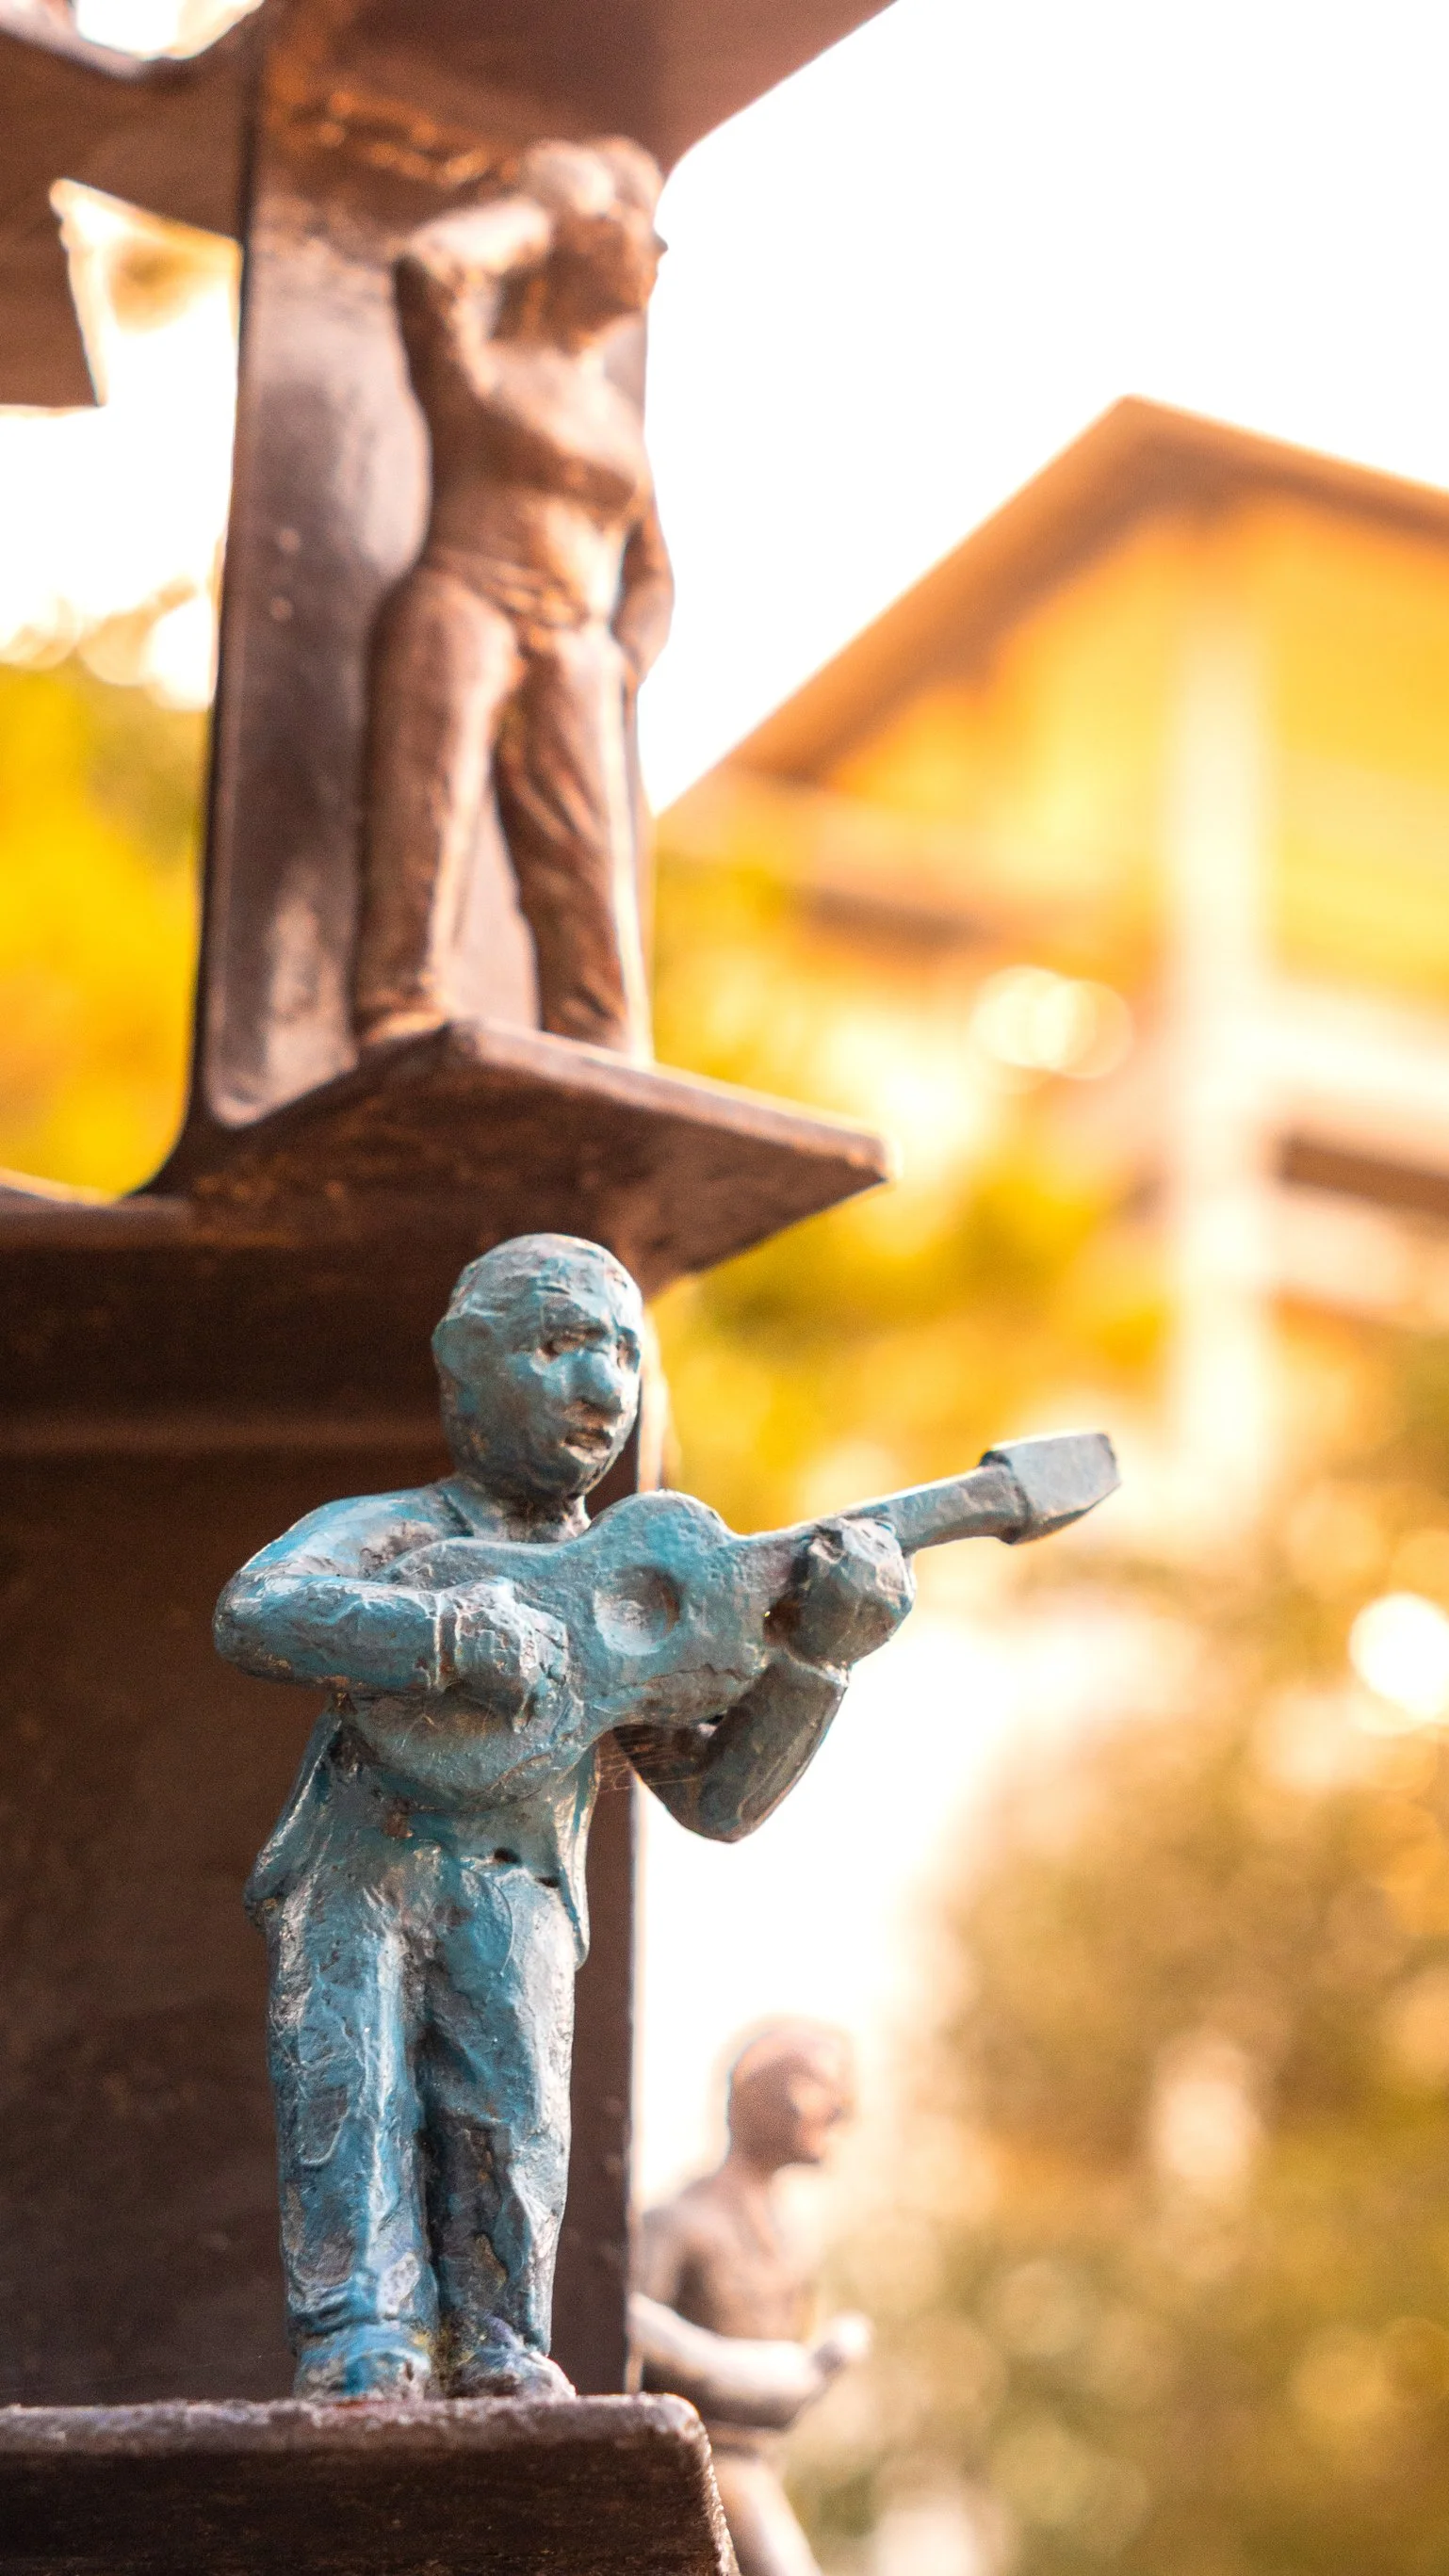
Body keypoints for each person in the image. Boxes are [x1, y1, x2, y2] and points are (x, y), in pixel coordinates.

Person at [216, 1236, 912, 2402]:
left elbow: (719, 1797)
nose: (602, 1386)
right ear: (462, 1365)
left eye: (625, 1352)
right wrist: (438, 1635)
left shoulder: (637, 1583)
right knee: (351, 2090)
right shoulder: (397, 1531)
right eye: (559, 1344)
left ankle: (499, 2337)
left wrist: (817, 1665)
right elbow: (256, 1610)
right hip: (353, 1875)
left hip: (521, 1889)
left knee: (512, 2115)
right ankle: (358, 2334)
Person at [350, 138, 674, 1060]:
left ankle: (602, 1046)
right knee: (429, 811)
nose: (655, 253)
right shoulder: (482, 367)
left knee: (588, 867)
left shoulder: (615, 418)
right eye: (633, 224)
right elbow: (431, 269)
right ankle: (400, 1001)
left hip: (573, 639)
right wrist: (537, 211)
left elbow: (653, 570)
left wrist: (623, 656)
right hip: (466, 600)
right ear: (579, 233)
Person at [635, 2022, 872, 2576]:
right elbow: (622, 2355)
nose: (840, 2109)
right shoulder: (678, 2224)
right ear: (765, 2097)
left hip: (759, 2470)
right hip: (694, 2473)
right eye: (818, 2084)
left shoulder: (790, 2241)